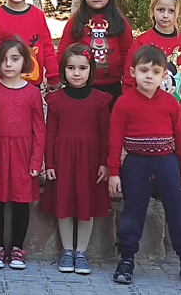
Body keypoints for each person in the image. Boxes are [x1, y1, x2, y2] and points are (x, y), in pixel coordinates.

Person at [108, 45, 181, 284]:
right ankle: (127, 259)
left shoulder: (171, 104)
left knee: (178, 209)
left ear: (164, 76)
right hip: (136, 164)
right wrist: (113, 172)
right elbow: (114, 140)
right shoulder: (124, 103)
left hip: (166, 163)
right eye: (143, 70)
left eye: (155, 71)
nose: (149, 76)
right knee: (133, 210)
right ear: (132, 72)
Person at [42, 43, 112, 275]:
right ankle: (67, 250)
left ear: (91, 69)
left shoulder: (100, 100)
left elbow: (105, 134)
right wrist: (49, 164)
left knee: (86, 205)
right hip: (63, 160)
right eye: (71, 68)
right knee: (64, 205)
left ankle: (81, 252)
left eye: (82, 68)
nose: (76, 73)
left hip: (90, 162)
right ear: (63, 70)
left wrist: (105, 162)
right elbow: (50, 134)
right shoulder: (55, 100)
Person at [0, 35, 44, 270]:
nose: (8, 64)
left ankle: (17, 249)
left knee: (20, 203)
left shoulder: (32, 93)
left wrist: (36, 160)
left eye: (15, 59)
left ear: (24, 61)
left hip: (23, 156)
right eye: (4, 59)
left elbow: (39, 130)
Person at [124, 0, 181, 126]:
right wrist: (130, 101)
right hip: (144, 110)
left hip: (175, 110)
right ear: (153, 10)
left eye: (171, 11)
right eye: (161, 10)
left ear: (179, 13)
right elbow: (129, 75)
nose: (165, 15)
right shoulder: (143, 42)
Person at [58, 0, 134, 104]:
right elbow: (63, 51)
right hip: (81, 85)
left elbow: (128, 56)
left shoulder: (120, 23)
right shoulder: (75, 22)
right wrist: (61, 77)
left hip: (113, 86)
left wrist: (128, 86)